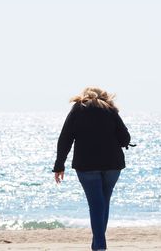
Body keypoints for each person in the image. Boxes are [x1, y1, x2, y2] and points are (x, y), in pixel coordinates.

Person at [53, 87, 131, 251]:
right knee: (103, 203)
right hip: (112, 165)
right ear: (104, 96)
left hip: (86, 165)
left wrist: (59, 165)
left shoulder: (78, 109)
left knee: (96, 204)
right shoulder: (110, 109)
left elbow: (65, 138)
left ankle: (100, 246)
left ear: (84, 96)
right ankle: (98, 246)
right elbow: (125, 137)